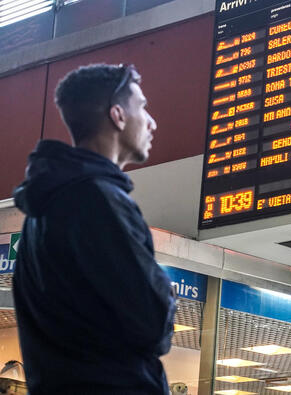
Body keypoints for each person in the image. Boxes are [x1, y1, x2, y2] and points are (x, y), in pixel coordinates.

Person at [12, 64, 177, 394]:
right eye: (142, 107)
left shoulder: (42, 210)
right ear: (117, 116)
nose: (151, 121)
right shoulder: (98, 200)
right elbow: (153, 322)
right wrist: (164, 293)